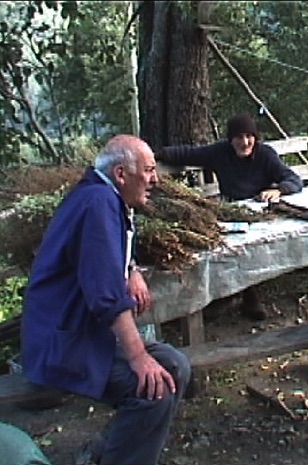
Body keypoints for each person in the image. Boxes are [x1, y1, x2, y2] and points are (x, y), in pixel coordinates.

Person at [20, 135, 192, 465]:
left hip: (84, 332)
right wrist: (139, 356)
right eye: (149, 170)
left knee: (177, 366)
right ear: (121, 174)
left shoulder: (103, 197)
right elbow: (107, 298)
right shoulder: (98, 203)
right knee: (154, 390)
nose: (155, 179)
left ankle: (102, 453)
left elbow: (108, 254)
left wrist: (131, 269)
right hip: (64, 343)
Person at [156, 113, 304, 321]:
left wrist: (279, 190)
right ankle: (229, 296)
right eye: (239, 137)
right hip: (233, 212)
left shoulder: (265, 155)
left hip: (263, 214)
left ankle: (249, 298)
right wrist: (155, 155)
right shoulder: (220, 153)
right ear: (230, 140)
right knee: (226, 244)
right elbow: (189, 153)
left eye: (249, 136)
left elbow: (294, 180)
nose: (245, 142)